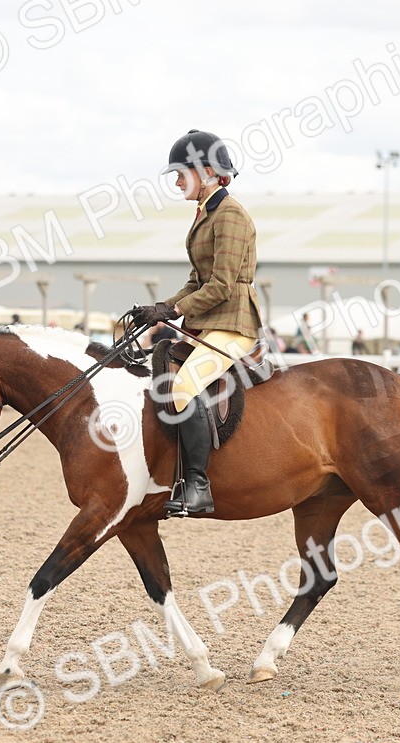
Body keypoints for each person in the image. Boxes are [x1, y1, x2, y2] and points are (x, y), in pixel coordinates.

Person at [132, 129, 262, 516]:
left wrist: (175, 312)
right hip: (209, 321)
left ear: (206, 172)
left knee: (184, 387)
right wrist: (161, 308)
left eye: (180, 174)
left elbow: (222, 285)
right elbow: (196, 280)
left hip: (233, 322)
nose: (176, 182)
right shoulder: (207, 213)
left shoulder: (231, 215)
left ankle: (199, 486)